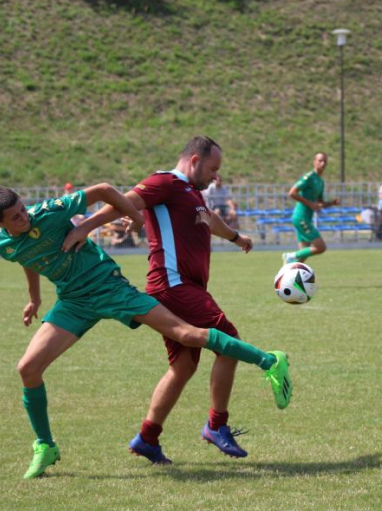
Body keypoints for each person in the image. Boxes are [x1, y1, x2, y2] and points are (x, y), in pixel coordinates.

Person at [0, 182, 291, 478]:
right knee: (28, 368)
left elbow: (103, 189)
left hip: (110, 288)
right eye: (15, 217)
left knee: (186, 334)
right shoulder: (3, 244)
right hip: (73, 302)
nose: (24, 217)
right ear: (0, 225)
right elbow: (27, 256)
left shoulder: (50, 211)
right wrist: (35, 298)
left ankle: (269, 360)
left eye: (23, 209)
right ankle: (46, 446)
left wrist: (134, 216)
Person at [64, 136, 284, 464]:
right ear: (194, 160)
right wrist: (86, 228)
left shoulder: (192, 192)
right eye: (213, 168)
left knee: (183, 366)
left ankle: (147, 438)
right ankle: (216, 426)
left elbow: (210, 221)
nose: (215, 176)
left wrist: (238, 237)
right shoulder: (164, 182)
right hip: (174, 284)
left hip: (183, 286)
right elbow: (124, 201)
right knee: (229, 341)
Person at [282, 152, 339, 264]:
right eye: (320, 160)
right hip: (301, 217)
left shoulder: (320, 182)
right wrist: (310, 204)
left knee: (303, 256)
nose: (323, 163)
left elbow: (319, 204)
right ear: (314, 162)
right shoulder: (308, 177)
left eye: (325, 161)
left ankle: (291, 277)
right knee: (321, 247)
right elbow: (292, 193)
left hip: (306, 218)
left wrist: (332, 203)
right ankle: (290, 255)